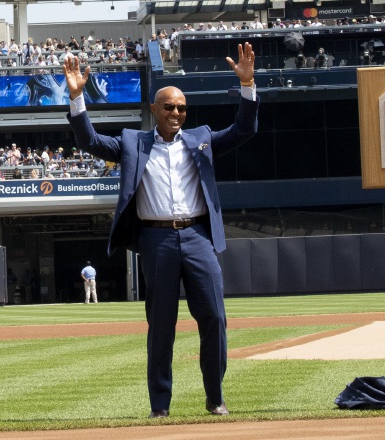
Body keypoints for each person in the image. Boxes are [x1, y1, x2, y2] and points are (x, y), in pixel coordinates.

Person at [63, 42, 258, 419]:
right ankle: (160, 406)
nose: (176, 113)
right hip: (156, 240)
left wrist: (248, 86)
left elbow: (244, 130)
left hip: (198, 236)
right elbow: (89, 141)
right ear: (154, 110)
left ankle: (215, 398)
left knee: (215, 318)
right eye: (168, 106)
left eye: (182, 108)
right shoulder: (134, 143)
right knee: (161, 326)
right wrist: (76, 98)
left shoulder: (201, 138)